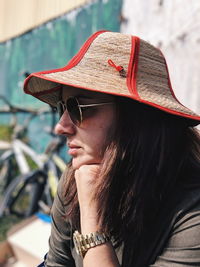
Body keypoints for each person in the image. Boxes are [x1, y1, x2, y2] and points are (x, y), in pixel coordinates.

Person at [24, 31, 200, 267]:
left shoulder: (191, 211)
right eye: (62, 107)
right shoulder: (76, 181)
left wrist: (92, 227)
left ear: (138, 120)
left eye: (79, 107)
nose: (61, 127)